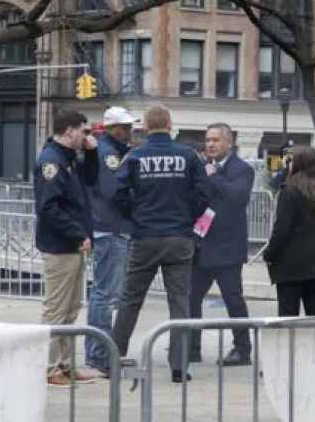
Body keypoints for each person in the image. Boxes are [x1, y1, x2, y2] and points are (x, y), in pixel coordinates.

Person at [110, 105, 207, 384]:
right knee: (179, 301)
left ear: (146, 128)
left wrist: (134, 214)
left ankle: (115, 358)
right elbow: (203, 193)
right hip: (179, 236)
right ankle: (179, 366)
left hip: (145, 236)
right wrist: (188, 217)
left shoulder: (136, 156)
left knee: (130, 300)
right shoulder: (188, 155)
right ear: (169, 123)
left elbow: (116, 194)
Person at [34, 109, 100, 387]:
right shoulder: (51, 161)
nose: (87, 137)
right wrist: (77, 234)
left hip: (73, 244)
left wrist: (93, 153)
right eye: (84, 132)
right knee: (56, 310)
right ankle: (50, 369)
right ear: (70, 130)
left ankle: (65, 365)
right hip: (61, 245)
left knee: (71, 308)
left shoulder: (69, 158)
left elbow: (92, 180)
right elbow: (49, 208)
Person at [189, 122, 255, 367]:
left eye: (216, 140)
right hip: (201, 243)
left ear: (229, 143)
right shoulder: (201, 167)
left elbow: (237, 197)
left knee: (233, 299)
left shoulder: (242, 169)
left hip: (227, 247)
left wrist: (212, 175)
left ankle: (242, 349)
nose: (211, 145)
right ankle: (191, 347)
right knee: (191, 297)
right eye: (208, 140)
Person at [84, 106, 138, 377]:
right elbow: (113, 191)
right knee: (104, 294)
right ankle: (98, 354)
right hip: (111, 228)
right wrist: (136, 209)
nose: (130, 132)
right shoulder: (108, 154)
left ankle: (100, 352)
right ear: (112, 128)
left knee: (104, 293)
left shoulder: (110, 150)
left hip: (110, 227)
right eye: (126, 127)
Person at [264, 145, 315, 317]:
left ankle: (290, 345)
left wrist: (269, 254)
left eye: (289, 161)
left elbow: (281, 229)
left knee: (288, 316)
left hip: (292, 264)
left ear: (296, 164)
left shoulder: (290, 192)